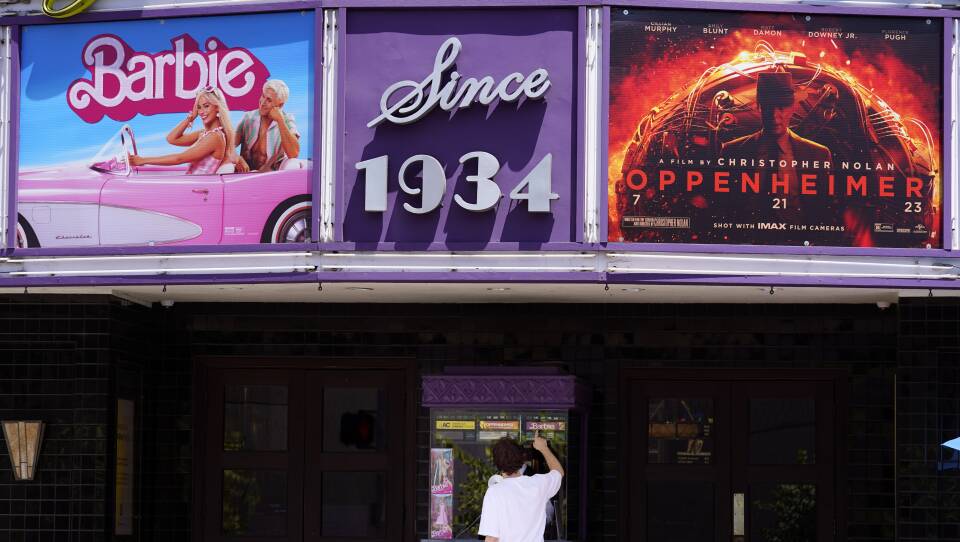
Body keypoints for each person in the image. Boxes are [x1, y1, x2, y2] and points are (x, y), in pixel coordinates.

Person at [721, 71, 832, 164]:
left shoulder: (819, 155)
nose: (774, 116)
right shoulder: (732, 152)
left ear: (792, 108)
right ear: (759, 107)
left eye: (781, 107)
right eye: (769, 107)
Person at [129, 86, 235, 174]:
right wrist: (191, 118)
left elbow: (179, 159)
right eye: (199, 107)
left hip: (198, 190)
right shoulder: (204, 133)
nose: (202, 112)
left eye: (206, 106)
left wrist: (143, 160)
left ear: (217, 107)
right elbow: (171, 139)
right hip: (191, 185)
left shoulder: (215, 137)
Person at [478, 433, 564, 542]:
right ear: (521, 459)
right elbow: (558, 472)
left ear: (497, 463)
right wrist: (543, 448)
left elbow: (492, 538)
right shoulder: (538, 484)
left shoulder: (494, 492)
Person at [234, 79, 300, 172]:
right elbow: (229, 145)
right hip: (245, 175)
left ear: (280, 105)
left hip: (270, 177)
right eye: (263, 96)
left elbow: (293, 154)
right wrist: (238, 158)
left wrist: (280, 121)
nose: (262, 102)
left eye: (269, 100)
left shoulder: (287, 120)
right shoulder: (248, 117)